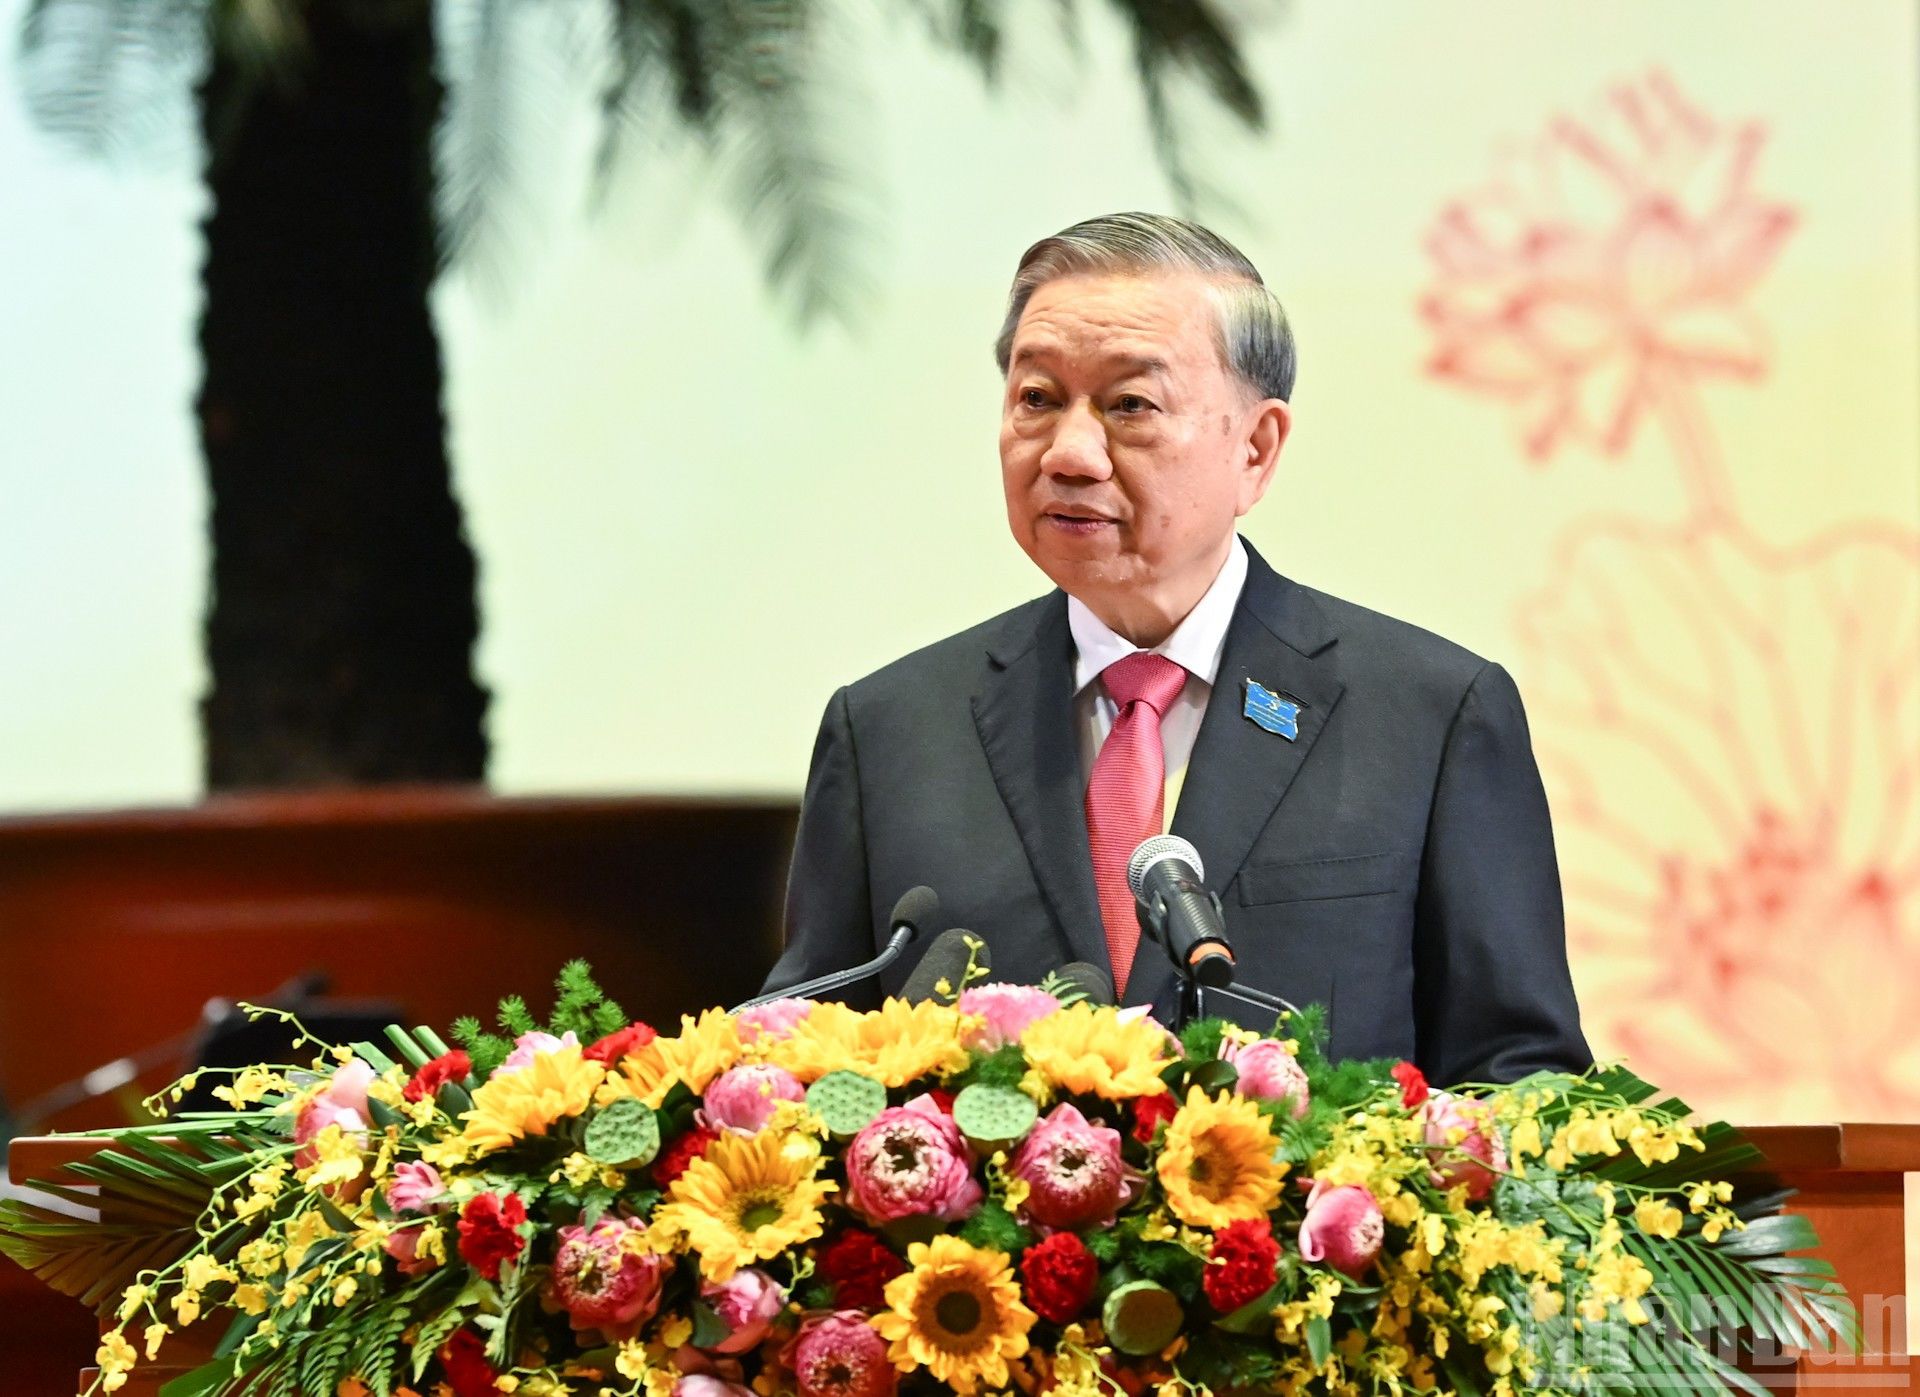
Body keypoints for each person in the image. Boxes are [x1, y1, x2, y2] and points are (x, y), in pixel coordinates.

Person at [762, 212, 1588, 1084]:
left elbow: (1521, 1075)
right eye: (1037, 399)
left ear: (1256, 449)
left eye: (1130, 406)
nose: (1070, 453)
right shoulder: (888, 730)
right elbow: (796, 1060)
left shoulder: (1431, 717)